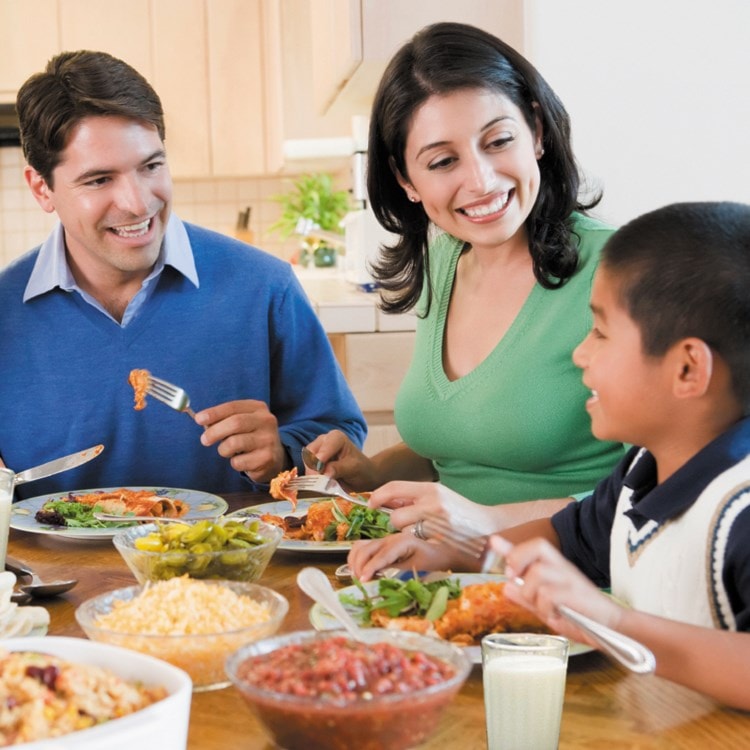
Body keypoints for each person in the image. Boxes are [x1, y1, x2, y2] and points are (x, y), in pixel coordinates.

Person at [350, 202, 750, 709]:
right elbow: (565, 536)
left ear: (688, 370)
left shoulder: (739, 507)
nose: (580, 353)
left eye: (601, 333)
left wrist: (610, 621)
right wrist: (452, 551)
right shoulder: (638, 474)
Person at [0, 50, 366, 498]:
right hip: (44, 570)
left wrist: (285, 454)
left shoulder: (265, 288)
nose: (137, 203)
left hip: (228, 565)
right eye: (99, 180)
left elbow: (339, 434)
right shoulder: (4, 311)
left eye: (151, 166)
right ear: (43, 188)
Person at [308, 22, 624, 515]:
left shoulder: (619, 271)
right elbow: (462, 454)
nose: (480, 180)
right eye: (441, 162)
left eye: (498, 141)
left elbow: (657, 494)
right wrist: (370, 472)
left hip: (572, 578)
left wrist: (483, 524)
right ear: (405, 179)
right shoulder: (443, 261)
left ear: (536, 132)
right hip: (451, 572)